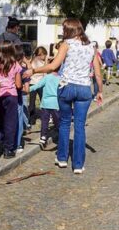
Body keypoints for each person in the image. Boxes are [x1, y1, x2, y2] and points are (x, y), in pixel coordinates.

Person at [25, 19, 103, 175]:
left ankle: (61, 158)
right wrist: (99, 91)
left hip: (67, 87)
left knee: (65, 123)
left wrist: (33, 71)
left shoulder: (66, 44)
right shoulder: (91, 47)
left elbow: (54, 66)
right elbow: (98, 72)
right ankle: (78, 165)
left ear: (69, 30)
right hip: (84, 89)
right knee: (80, 126)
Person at [0, 42, 22, 159]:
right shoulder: (15, 65)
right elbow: (19, 85)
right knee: (10, 122)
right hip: (11, 95)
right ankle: (8, 149)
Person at [29, 70, 60, 149]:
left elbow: (37, 85)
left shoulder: (46, 77)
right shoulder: (60, 78)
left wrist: (27, 89)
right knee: (57, 121)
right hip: (55, 103)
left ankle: (43, 138)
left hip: (46, 103)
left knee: (44, 121)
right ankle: (60, 135)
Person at [27, 47, 48, 125]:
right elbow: (45, 72)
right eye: (45, 55)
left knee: (32, 102)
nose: (45, 57)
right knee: (43, 101)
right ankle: (45, 118)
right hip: (39, 84)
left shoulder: (32, 61)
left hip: (32, 83)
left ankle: (31, 120)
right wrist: (46, 61)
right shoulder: (40, 62)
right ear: (41, 54)